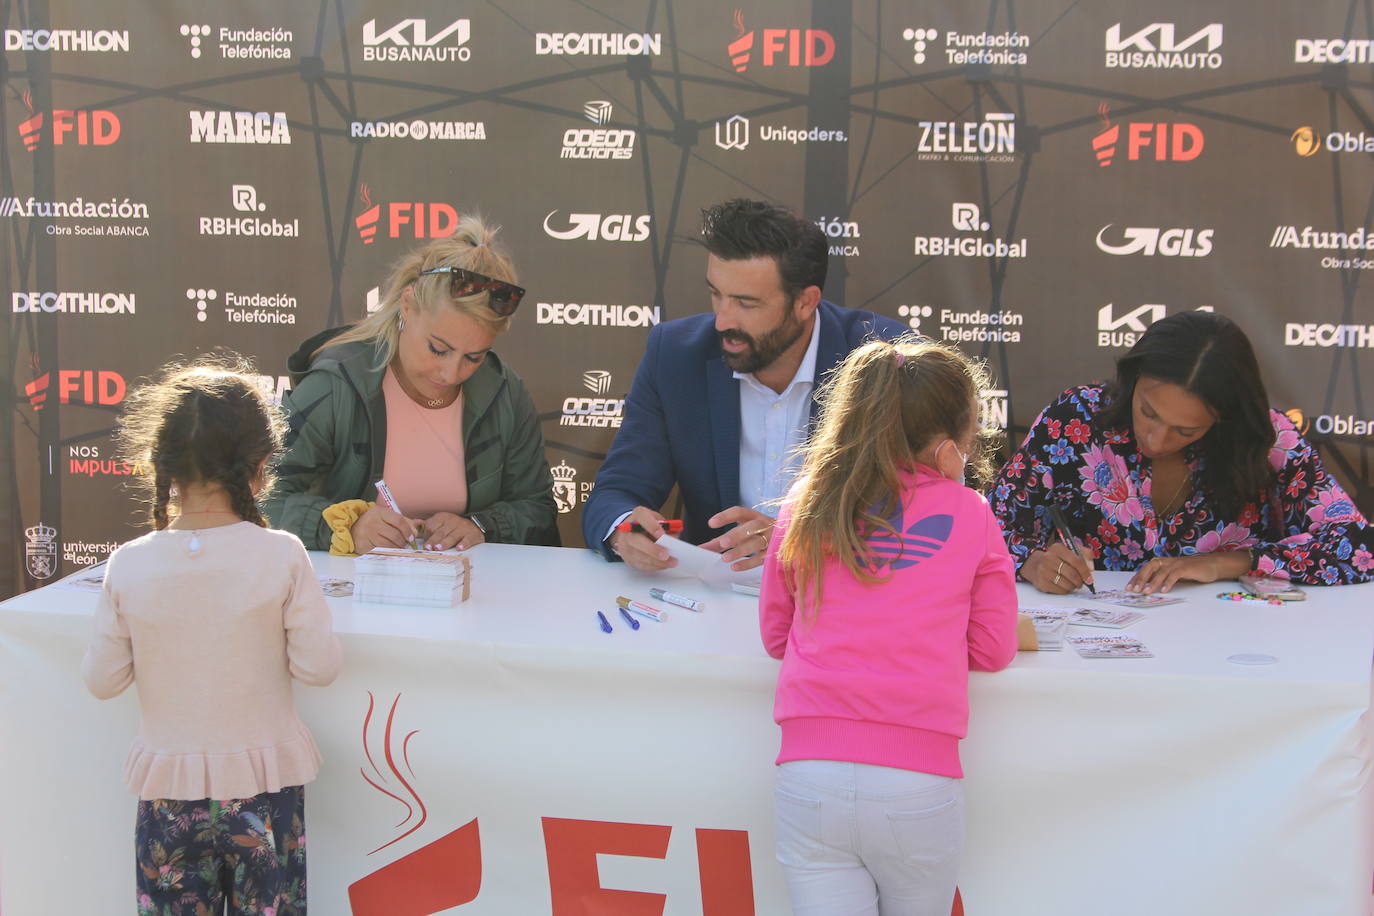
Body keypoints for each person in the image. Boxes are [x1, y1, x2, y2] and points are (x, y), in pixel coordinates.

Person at [759, 337, 1018, 916]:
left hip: (808, 774)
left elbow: (777, 636)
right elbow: (995, 649)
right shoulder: (972, 514)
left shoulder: (806, 502)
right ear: (952, 444)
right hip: (918, 783)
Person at [82, 357, 343, 915]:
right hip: (264, 795)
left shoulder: (129, 563)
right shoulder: (281, 556)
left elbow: (102, 681)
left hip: (167, 800)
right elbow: (320, 667)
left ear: (162, 464)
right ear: (262, 463)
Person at [582, 198, 904, 571]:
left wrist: (797, 541)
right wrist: (624, 530)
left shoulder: (886, 360)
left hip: (844, 596)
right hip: (715, 598)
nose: (722, 322)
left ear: (805, 302)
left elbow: (925, 514)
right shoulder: (674, 355)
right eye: (716, 294)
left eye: (746, 304)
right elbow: (618, 491)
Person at [991, 310, 1372, 594]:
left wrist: (1226, 563)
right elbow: (985, 528)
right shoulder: (1075, 420)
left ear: (1223, 419)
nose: (1156, 441)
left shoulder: (1270, 443)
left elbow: (1358, 545)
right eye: (1147, 412)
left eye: (1186, 430)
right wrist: (1032, 562)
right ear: (1132, 379)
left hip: (1231, 659)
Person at [266, 216, 558, 553]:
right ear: (408, 304)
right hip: (351, 594)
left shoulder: (504, 391)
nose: (450, 373)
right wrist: (345, 526)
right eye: (438, 349)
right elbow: (260, 497)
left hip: (467, 593)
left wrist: (481, 526)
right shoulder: (338, 384)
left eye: (474, 357)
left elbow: (537, 509)